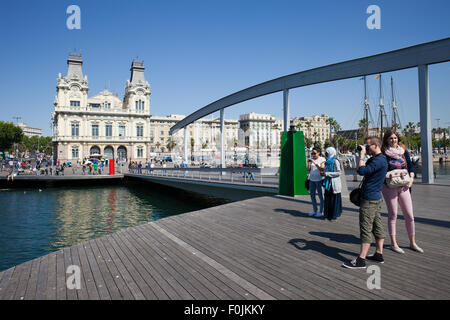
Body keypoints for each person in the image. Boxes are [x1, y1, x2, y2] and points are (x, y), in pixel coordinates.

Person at [343, 137, 387, 269]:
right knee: (376, 224)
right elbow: (362, 169)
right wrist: (361, 155)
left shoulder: (378, 161)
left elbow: (361, 171)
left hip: (370, 199)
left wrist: (361, 156)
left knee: (365, 227)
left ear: (376, 146)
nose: (366, 149)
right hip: (375, 197)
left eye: (368, 146)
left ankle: (361, 260)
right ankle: (379, 254)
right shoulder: (376, 159)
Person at [381, 130, 423, 254]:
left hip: (404, 186)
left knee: (409, 215)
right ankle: (394, 243)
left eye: (395, 138)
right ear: (386, 140)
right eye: (391, 138)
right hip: (389, 187)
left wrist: (411, 179)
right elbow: (381, 169)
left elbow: (410, 166)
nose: (393, 140)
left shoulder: (403, 152)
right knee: (393, 214)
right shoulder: (384, 154)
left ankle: (412, 242)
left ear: (398, 139)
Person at [320, 147, 342, 221]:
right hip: (327, 183)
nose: (325, 154)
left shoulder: (335, 161)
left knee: (334, 199)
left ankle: (334, 215)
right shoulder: (327, 161)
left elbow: (339, 172)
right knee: (327, 199)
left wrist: (327, 174)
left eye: (327, 153)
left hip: (334, 183)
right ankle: (327, 214)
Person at [307, 147, 325, 217]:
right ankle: (315, 210)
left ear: (318, 153)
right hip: (312, 179)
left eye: (314, 153)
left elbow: (322, 169)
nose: (313, 155)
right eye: (312, 153)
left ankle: (321, 211)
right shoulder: (312, 159)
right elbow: (308, 170)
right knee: (312, 195)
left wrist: (315, 163)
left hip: (319, 180)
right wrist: (308, 163)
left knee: (321, 196)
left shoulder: (322, 159)